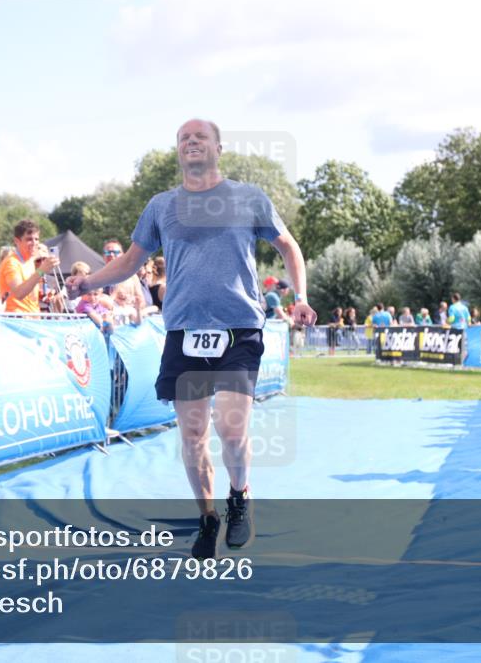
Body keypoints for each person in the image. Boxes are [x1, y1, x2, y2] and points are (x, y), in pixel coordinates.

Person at [66, 118, 316, 559]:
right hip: (184, 331)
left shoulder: (248, 198)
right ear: (178, 152)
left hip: (239, 326)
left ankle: (239, 497)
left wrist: (300, 297)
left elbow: (289, 247)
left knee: (232, 427)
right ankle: (207, 517)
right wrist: (87, 286)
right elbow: (128, 263)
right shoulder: (161, 206)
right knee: (193, 433)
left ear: (218, 147)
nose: (191, 142)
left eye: (200, 136)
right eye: (184, 138)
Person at [0, 219, 61, 315]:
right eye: (29, 239)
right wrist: (41, 270)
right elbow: (19, 294)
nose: (34, 243)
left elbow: (32, 293)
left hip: (33, 318)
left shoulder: (30, 260)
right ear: (17, 241)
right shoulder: (11, 263)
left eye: (36, 239)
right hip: (16, 320)